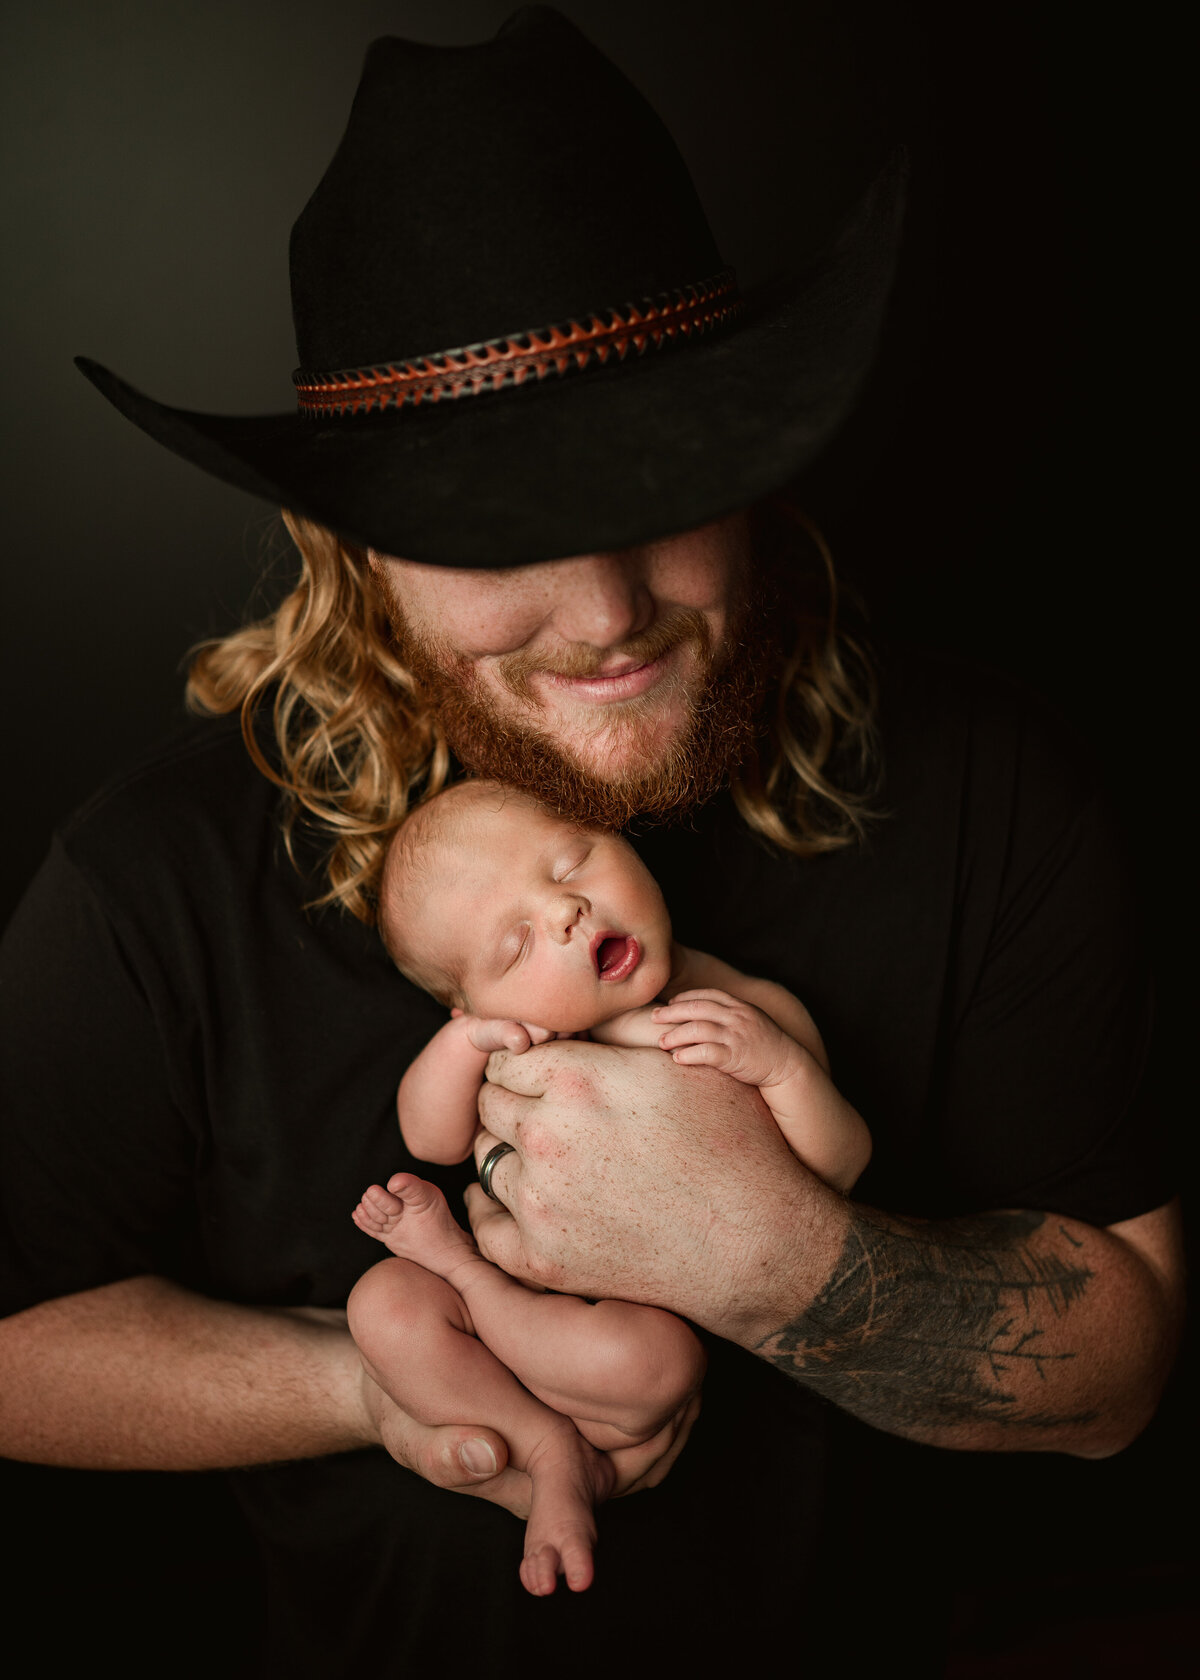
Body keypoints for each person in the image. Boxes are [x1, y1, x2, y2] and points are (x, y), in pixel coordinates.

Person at [0, 10, 1182, 1677]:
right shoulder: (152, 889)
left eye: (664, 482)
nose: (613, 615)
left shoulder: (991, 780)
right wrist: (379, 1385)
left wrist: (771, 1252)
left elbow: (1122, 1382)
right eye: (501, 535)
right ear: (351, 546)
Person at [346, 777, 870, 1594]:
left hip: (615, 1348)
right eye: (514, 946)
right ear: (471, 1002)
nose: (563, 912)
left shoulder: (742, 1010)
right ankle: (546, 1445)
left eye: (572, 863)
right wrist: (465, 1041)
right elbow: (429, 1137)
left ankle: (487, 1315)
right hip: (505, 1364)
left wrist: (778, 1065)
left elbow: (841, 1164)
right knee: (381, 1304)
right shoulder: (499, 1036)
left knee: (653, 1365)